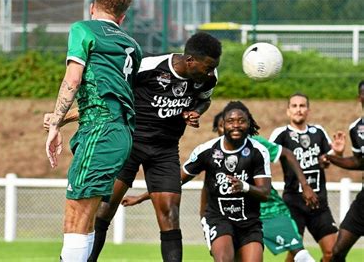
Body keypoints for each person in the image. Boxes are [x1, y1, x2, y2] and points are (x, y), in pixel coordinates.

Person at [45, 32, 222, 261]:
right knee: (104, 211)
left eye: (213, 68)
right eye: (207, 67)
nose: (210, 73)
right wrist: (63, 118)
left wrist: (196, 111)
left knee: (170, 214)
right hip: (130, 143)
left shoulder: (209, 77)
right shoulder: (147, 66)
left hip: (165, 150)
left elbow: (204, 99)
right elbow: (109, 98)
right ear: (190, 61)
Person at [45, 0, 142, 262]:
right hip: (120, 131)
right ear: (122, 17)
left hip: (99, 131)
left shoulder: (83, 29)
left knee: (75, 216)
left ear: (92, 8)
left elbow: (72, 79)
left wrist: (54, 125)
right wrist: (63, 120)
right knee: (85, 219)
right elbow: (114, 97)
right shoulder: (132, 46)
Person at [125, 101, 272, 261]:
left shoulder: (258, 151)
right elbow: (175, 182)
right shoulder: (206, 151)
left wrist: (244, 186)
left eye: (241, 121)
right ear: (223, 124)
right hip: (218, 218)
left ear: (249, 123)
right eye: (230, 121)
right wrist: (141, 197)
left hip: (249, 222)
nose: (236, 125)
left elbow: (265, 193)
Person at [206, 111, 317, 261]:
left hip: (269, 210)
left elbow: (287, 154)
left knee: (300, 254)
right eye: (223, 125)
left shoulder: (255, 144)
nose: (233, 126)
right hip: (232, 218)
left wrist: (305, 185)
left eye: (239, 122)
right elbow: (207, 190)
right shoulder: (212, 153)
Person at [269, 92, 344, 262]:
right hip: (293, 203)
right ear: (288, 111)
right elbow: (264, 158)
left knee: (333, 253)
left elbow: (326, 158)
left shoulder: (318, 132)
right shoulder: (281, 134)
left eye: (302, 106)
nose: (298, 109)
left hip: (319, 203)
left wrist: (336, 153)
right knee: (296, 254)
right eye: (294, 106)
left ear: (308, 110)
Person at [322, 80, 364, 262]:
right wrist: (331, 157)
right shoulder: (356, 128)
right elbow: (359, 161)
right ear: (360, 97)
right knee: (336, 252)